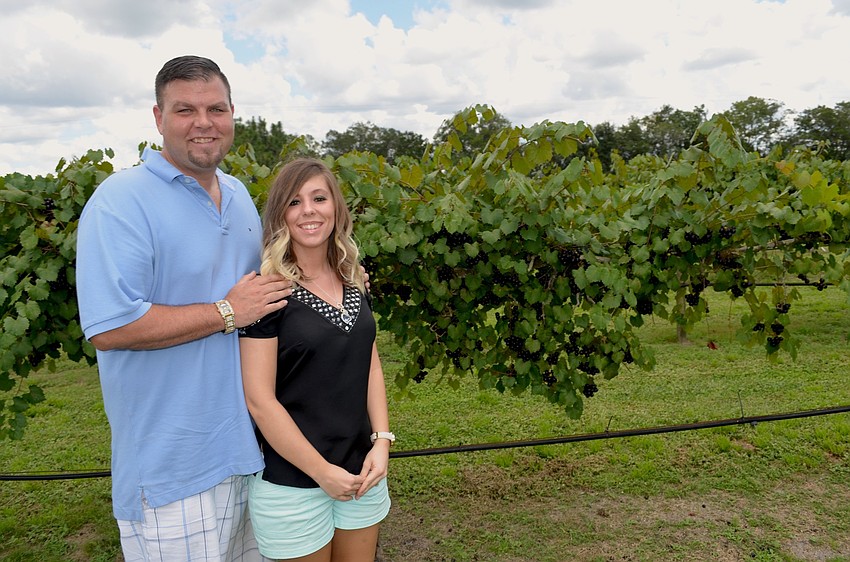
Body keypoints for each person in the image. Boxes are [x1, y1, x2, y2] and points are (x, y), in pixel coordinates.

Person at [76, 55, 291, 561]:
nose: (203, 122)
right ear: (158, 118)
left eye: (216, 108)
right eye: (184, 110)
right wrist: (226, 312)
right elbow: (109, 326)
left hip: (250, 453)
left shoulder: (238, 196)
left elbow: (270, 285)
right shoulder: (120, 201)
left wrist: (342, 276)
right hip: (172, 470)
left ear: (233, 113)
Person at [239, 157, 392, 561]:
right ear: (281, 215)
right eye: (294, 201)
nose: (308, 210)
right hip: (293, 485)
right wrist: (322, 473)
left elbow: (370, 365)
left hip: (363, 475)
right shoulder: (267, 292)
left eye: (319, 198)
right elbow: (259, 400)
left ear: (336, 209)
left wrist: (382, 442)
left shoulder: (354, 279)